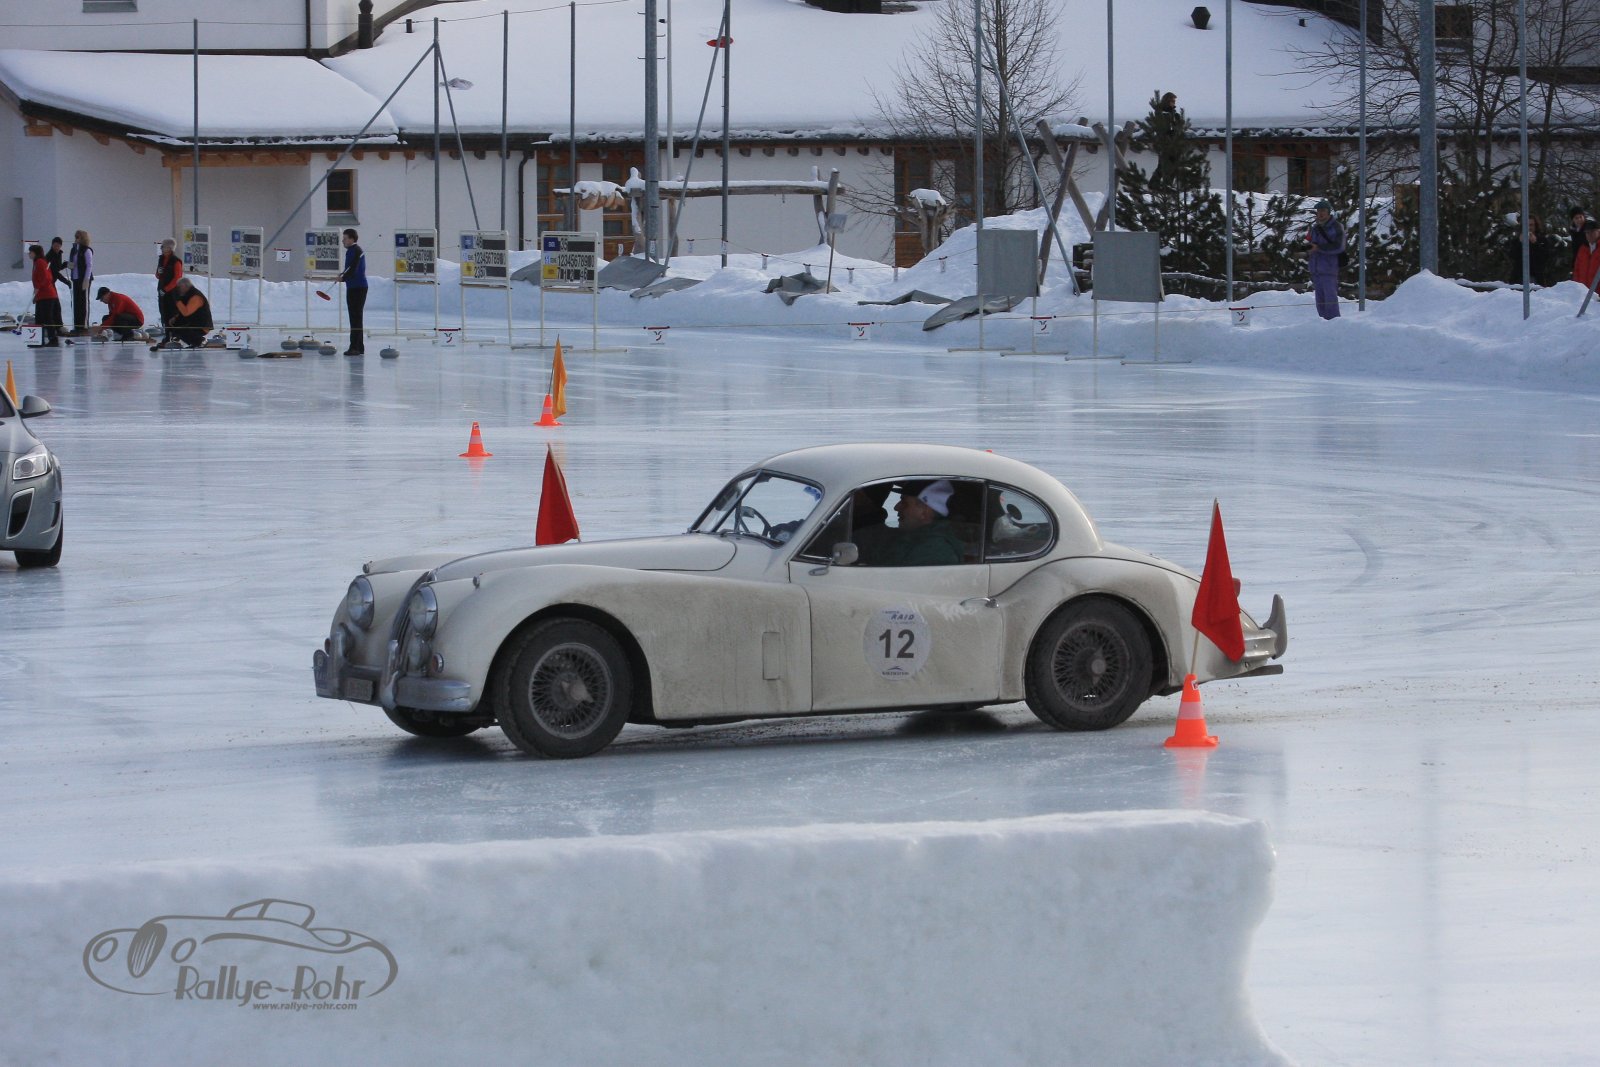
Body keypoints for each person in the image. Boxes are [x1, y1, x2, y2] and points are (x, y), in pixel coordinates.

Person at [870, 480, 966, 567]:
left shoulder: (934, 550)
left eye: (904, 503)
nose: (896, 507)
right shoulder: (915, 538)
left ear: (925, 513)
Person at [1305, 199, 1344, 320]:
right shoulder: (1315, 228)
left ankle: (1334, 323)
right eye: (1318, 211)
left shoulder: (1336, 227)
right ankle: (1323, 323)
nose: (1320, 213)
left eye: (1323, 210)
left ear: (1328, 212)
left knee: (1330, 298)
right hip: (1316, 269)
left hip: (1328, 268)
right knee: (1320, 300)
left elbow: (1339, 246)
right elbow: (1311, 243)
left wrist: (1319, 248)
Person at [337, 228, 367, 355]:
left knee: (355, 317)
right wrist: (343, 274)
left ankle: (355, 347)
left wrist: (343, 278)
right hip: (353, 286)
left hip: (358, 287)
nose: (342, 241)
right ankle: (359, 346)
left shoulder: (356, 251)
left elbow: (354, 269)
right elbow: (349, 268)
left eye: (345, 238)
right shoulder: (351, 251)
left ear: (351, 239)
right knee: (355, 317)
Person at [160, 276, 213, 349]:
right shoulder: (187, 295)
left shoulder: (196, 296)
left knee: (181, 330)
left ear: (185, 286)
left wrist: (177, 301)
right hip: (193, 322)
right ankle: (186, 340)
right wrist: (175, 318)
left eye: (179, 287)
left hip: (201, 326)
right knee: (176, 326)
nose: (178, 290)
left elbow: (186, 312)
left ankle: (200, 341)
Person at [27, 245, 62, 348]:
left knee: (47, 317)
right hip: (41, 295)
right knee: (39, 318)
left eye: (30, 252)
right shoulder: (36, 263)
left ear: (35, 253)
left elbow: (47, 277)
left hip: (47, 295)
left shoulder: (40, 262)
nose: (29, 254)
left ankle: (53, 339)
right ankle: (38, 340)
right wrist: (36, 295)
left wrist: (38, 287)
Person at [155, 238, 184, 334]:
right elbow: (157, 275)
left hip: (172, 292)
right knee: (163, 311)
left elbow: (177, 278)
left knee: (172, 311)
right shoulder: (161, 259)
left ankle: (175, 332)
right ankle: (167, 331)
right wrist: (159, 273)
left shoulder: (176, 261)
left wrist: (166, 289)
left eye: (163, 246)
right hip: (161, 290)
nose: (161, 248)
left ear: (169, 248)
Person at [68, 229, 94, 334]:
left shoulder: (86, 250)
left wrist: (86, 279)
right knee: (76, 302)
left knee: (84, 302)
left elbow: (89, 265)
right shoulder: (73, 250)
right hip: (75, 279)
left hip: (84, 279)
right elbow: (72, 263)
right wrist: (69, 265)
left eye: (78, 237)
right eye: (75, 237)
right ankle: (77, 325)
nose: (76, 239)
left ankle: (84, 325)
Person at [1574, 220, 1600, 291]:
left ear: (1598, 231)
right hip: (1583, 293)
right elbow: (1577, 270)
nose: (1589, 235)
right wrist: (1577, 288)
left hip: (1597, 294)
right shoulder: (1582, 249)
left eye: (1592, 232)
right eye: (1587, 232)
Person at [1568, 207, 1589, 277]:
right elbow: (1575, 249)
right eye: (1576, 218)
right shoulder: (1574, 231)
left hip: (1589, 261)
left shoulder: (1589, 228)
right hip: (1579, 262)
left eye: (1580, 217)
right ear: (1573, 220)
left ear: (1584, 217)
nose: (1579, 220)